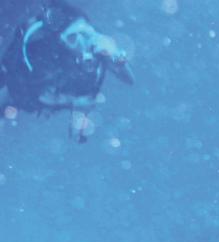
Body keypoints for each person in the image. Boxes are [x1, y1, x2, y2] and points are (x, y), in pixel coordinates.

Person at [0, 0, 133, 140]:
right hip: (24, 87)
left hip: (37, 93)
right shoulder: (42, 51)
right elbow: (35, 90)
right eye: (74, 37)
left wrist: (116, 55)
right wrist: (75, 103)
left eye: (86, 33)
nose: (84, 41)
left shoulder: (96, 49)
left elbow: (128, 78)